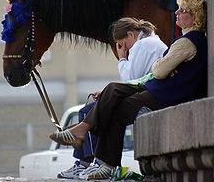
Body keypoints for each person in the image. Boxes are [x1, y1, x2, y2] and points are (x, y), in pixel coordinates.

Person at [50, 0, 207, 180]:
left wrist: (160, 63)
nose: (176, 12)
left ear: (194, 17)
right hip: (158, 87)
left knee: (113, 104)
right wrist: (165, 63)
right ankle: (88, 138)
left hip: (164, 93)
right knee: (112, 90)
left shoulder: (188, 42)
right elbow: (161, 68)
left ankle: (99, 154)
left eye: (182, 10)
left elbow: (157, 70)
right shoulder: (185, 40)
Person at [55, 17, 167, 179]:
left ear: (130, 35)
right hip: (143, 89)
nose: (124, 48)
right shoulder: (146, 43)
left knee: (94, 108)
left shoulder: (142, 45)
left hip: (149, 92)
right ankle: (86, 156)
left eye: (122, 44)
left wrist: (122, 58)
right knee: (93, 106)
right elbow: (135, 80)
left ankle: (90, 157)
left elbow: (131, 77)